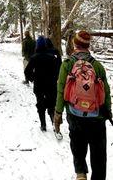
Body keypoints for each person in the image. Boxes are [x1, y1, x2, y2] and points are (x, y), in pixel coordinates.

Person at [54, 30, 112, 180]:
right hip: (96, 117)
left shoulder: (67, 64)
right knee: (98, 156)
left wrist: (58, 114)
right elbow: (106, 90)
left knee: (78, 149)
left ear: (75, 44)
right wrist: (108, 112)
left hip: (75, 116)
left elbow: (61, 91)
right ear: (88, 46)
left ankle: (81, 174)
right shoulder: (97, 66)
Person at [24, 35, 61, 131]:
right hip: (51, 85)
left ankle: (43, 124)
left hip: (39, 85)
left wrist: (32, 79)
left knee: (40, 104)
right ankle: (53, 123)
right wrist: (55, 78)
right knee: (51, 104)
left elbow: (27, 71)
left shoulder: (34, 57)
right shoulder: (52, 57)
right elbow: (58, 70)